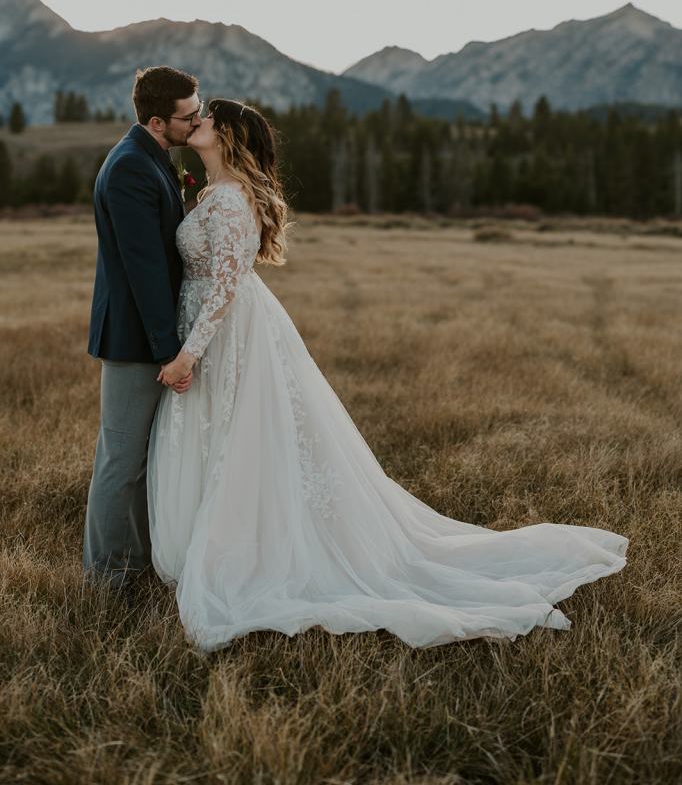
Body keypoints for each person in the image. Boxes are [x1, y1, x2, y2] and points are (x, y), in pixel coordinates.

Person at [147, 99, 628, 650]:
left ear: (228, 136)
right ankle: (221, 544)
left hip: (226, 336)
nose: (197, 120)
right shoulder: (212, 193)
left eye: (206, 117)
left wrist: (189, 354)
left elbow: (227, 288)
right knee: (226, 439)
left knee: (240, 441)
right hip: (212, 328)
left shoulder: (231, 202)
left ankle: (244, 552)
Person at [83, 65, 203, 588]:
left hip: (144, 335)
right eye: (188, 116)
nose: (197, 122)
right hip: (134, 338)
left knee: (137, 457)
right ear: (157, 121)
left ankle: (133, 561)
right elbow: (144, 268)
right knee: (122, 458)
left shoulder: (150, 157)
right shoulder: (132, 167)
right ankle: (107, 576)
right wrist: (168, 350)